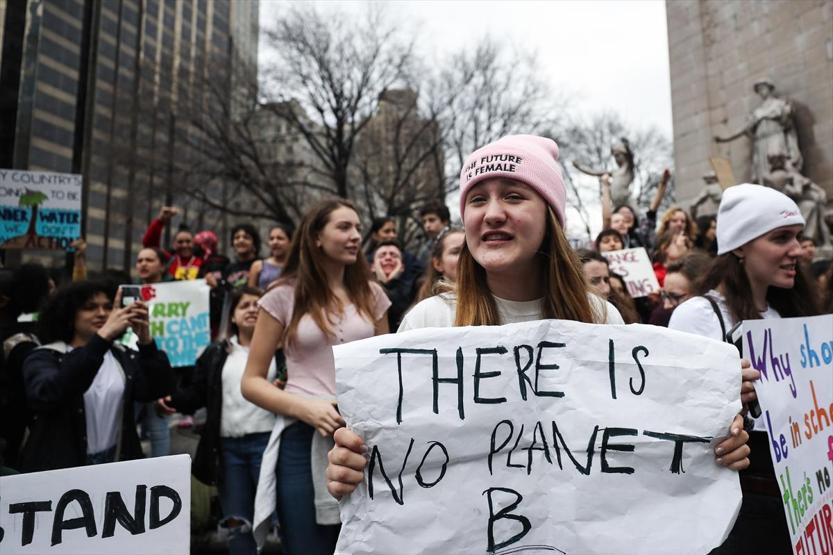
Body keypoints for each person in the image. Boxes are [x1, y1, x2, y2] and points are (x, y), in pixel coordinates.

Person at [326, 134, 750, 502]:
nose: (492, 213)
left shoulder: (599, 317)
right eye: (477, 199)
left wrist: (710, 443)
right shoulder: (428, 324)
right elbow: (398, 455)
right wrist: (353, 467)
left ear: (550, 217)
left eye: (513, 195)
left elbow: (638, 443)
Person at [668, 184, 820, 555]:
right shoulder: (698, 316)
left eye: (797, 238)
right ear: (739, 246)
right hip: (740, 512)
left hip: (802, 500)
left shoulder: (789, 315)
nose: (796, 250)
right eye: (781, 238)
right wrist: (723, 398)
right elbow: (672, 417)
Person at [240, 199, 391, 555]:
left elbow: (388, 370)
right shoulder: (280, 296)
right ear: (316, 237)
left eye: (357, 228)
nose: (355, 236)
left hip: (364, 437)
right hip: (300, 440)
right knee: (308, 546)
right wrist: (307, 409)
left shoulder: (373, 295)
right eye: (344, 227)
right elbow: (251, 380)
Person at [160, 287, 276, 555]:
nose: (252, 309)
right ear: (232, 317)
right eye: (244, 305)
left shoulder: (281, 351)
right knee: (236, 521)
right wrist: (169, 398)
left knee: (283, 517)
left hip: (269, 446)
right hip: (228, 449)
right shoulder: (216, 353)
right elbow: (196, 393)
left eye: (258, 305)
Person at [19, 281, 174, 471]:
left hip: (116, 464)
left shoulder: (121, 355)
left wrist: (146, 342)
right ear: (69, 315)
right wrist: (102, 338)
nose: (102, 314)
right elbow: (49, 394)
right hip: (63, 469)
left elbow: (154, 389)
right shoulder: (45, 357)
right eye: (90, 308)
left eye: (108, 307)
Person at [133, 247, 172, 457]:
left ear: (162, 266)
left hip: (160, 368)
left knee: (159, 430)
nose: (143, 264)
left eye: (149, 260)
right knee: (126, 427)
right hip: (135, 368)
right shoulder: (129, 294)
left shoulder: (177, 293)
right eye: (140, 260)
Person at [143, 206, 203, 280]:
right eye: (180, 242)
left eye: (188, 241)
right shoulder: (169, 261)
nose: (184, 245)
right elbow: (150, 245)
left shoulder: (203, 262)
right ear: (174, 244)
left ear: (193, 243)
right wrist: (160, 221)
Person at [370, 240, 418, 329]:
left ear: (402, 267)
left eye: (393, 255)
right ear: (372, 266)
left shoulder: (414, 290)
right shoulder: (365, 290)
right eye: (382, 255)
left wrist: (389, 281)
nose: (388, 258)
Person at [415, 227, 465, 302]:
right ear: (438, 264)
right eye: (456, 252)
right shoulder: (425, 309)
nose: (465, 257)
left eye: (468, 251)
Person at [249, 224, 292, 290]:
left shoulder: (298, 267)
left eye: (280, 238)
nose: (275, 242)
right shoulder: (258, 266)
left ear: (290, 242)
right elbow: (249, 294)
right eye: (271, 239)